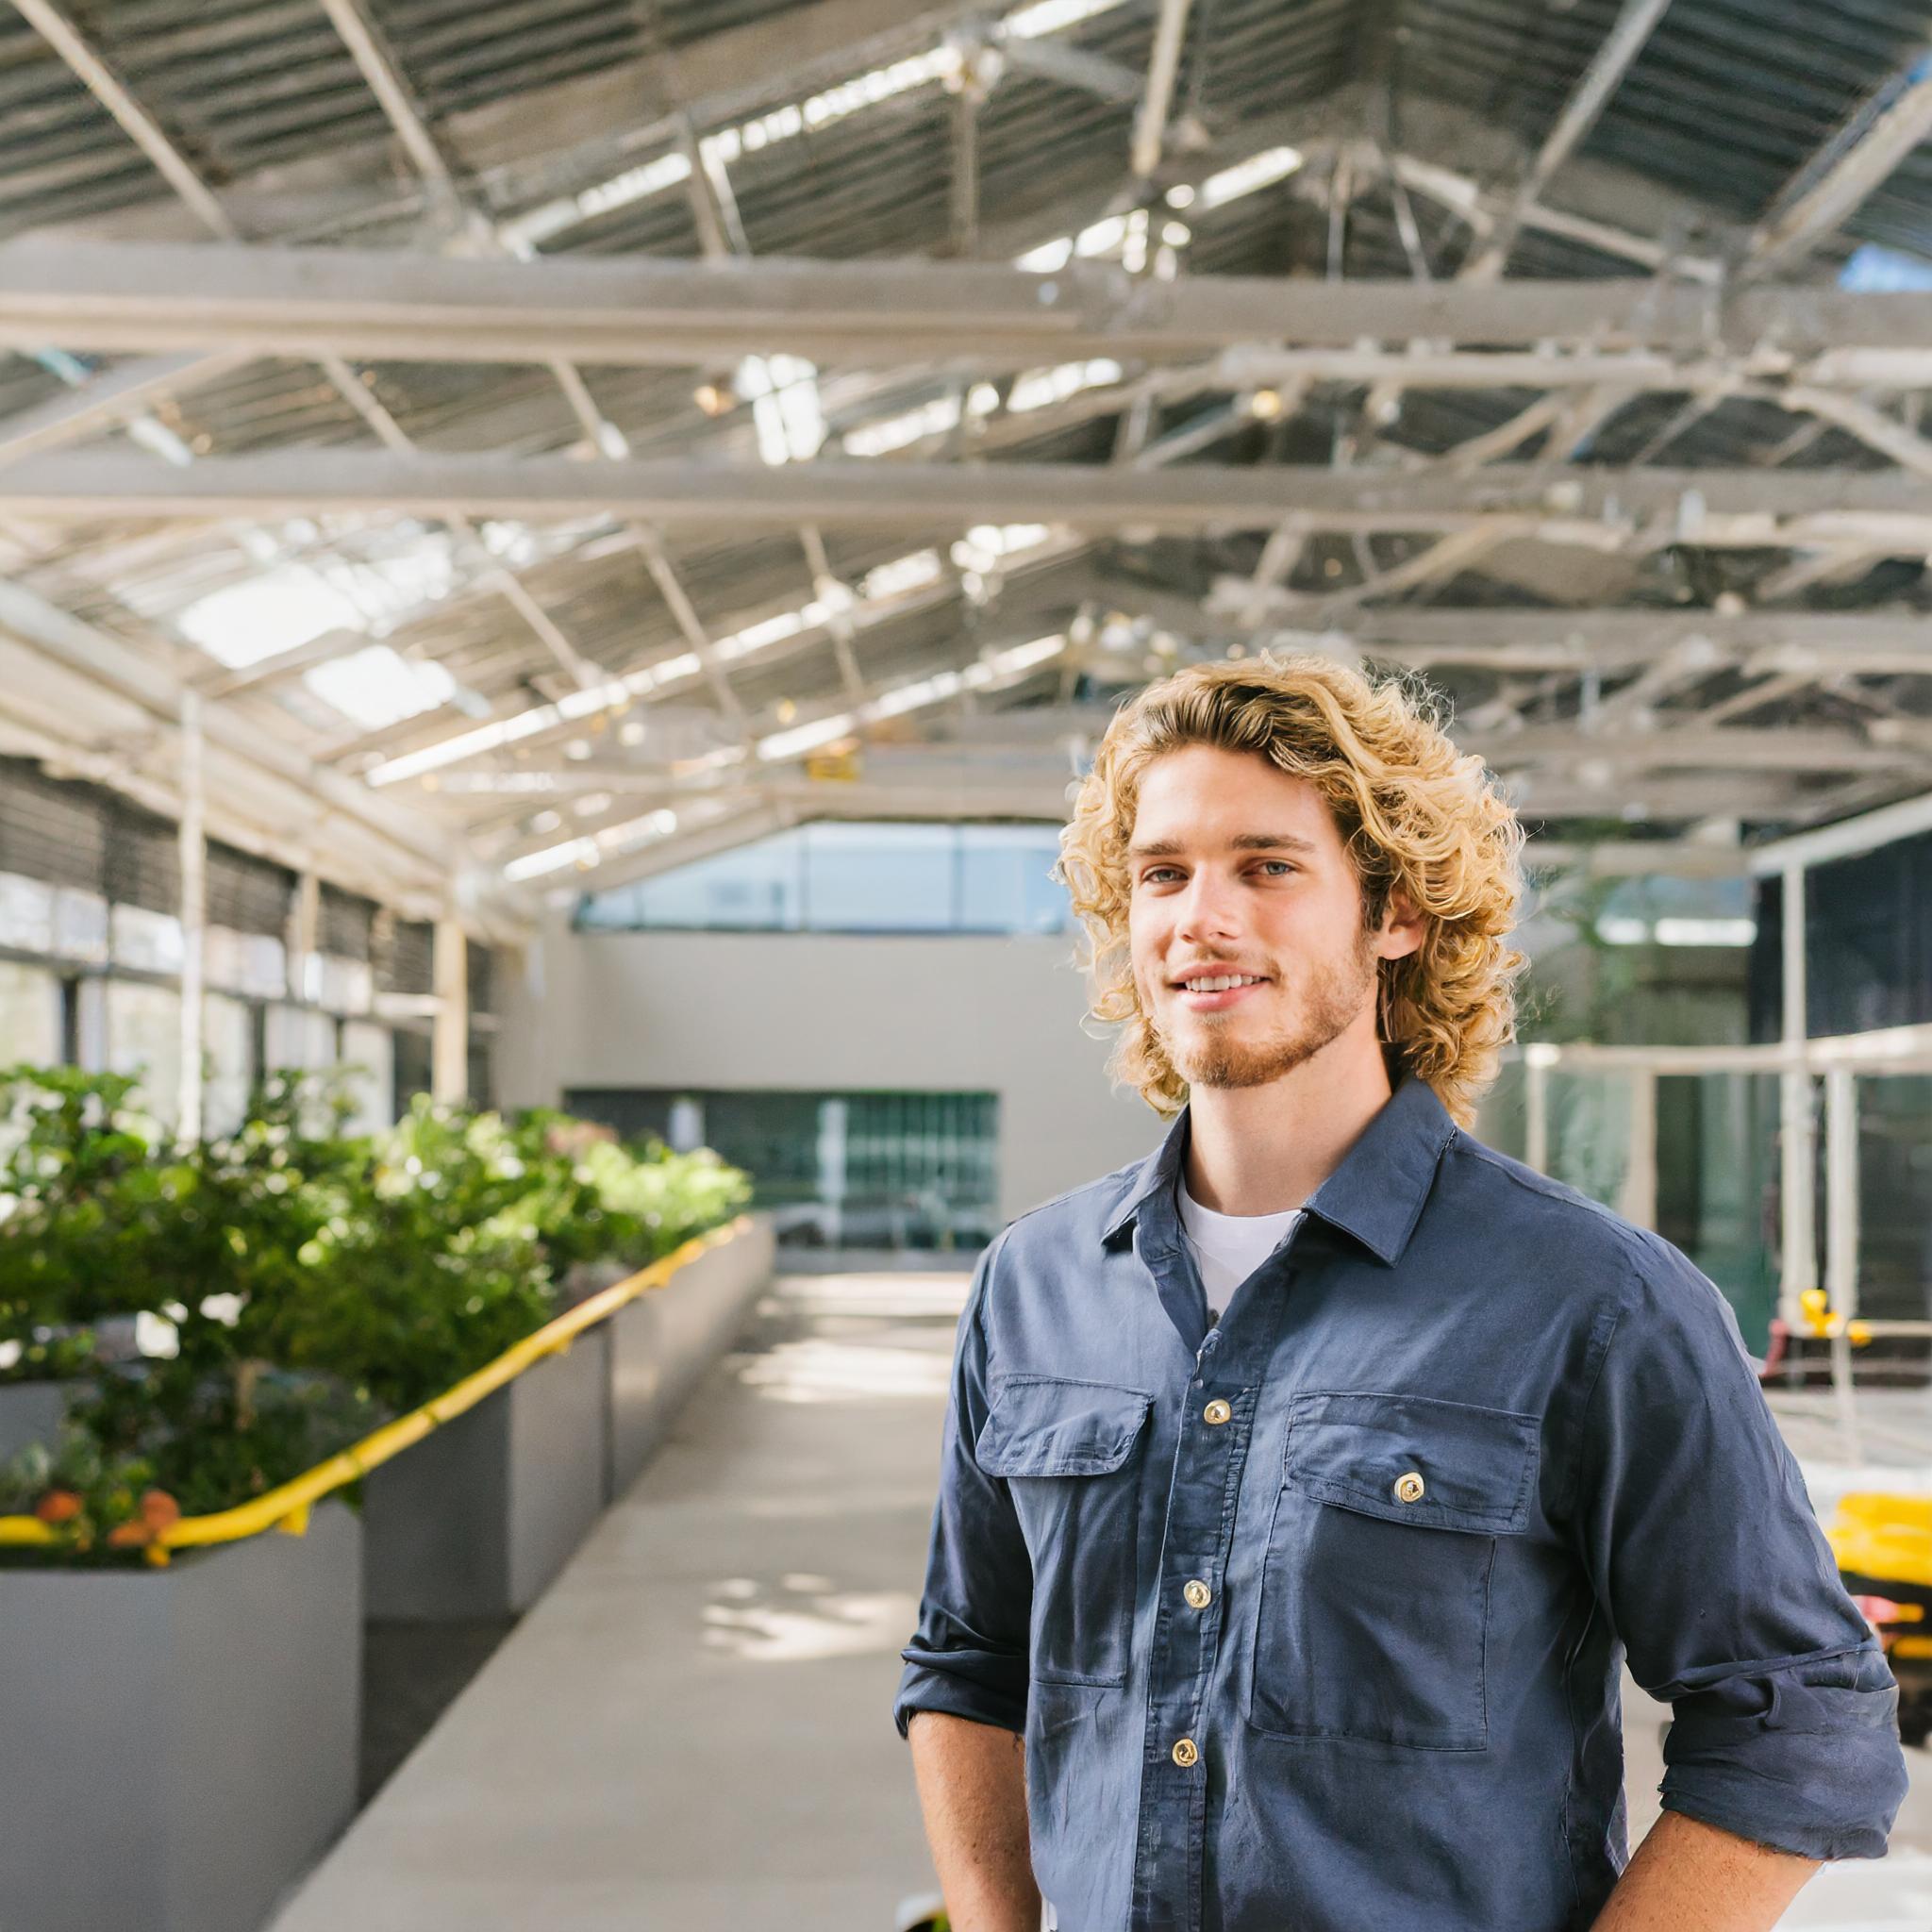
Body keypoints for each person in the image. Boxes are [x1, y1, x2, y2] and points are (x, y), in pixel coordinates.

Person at [891, 656, 1907, 1932]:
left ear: (1397, 914)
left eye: (1266, 866)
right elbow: (969, 1665)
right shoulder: (1032, 1288)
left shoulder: (1593, 1304)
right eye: (1163, 873)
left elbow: (1802, 1715)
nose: (1198, 920)